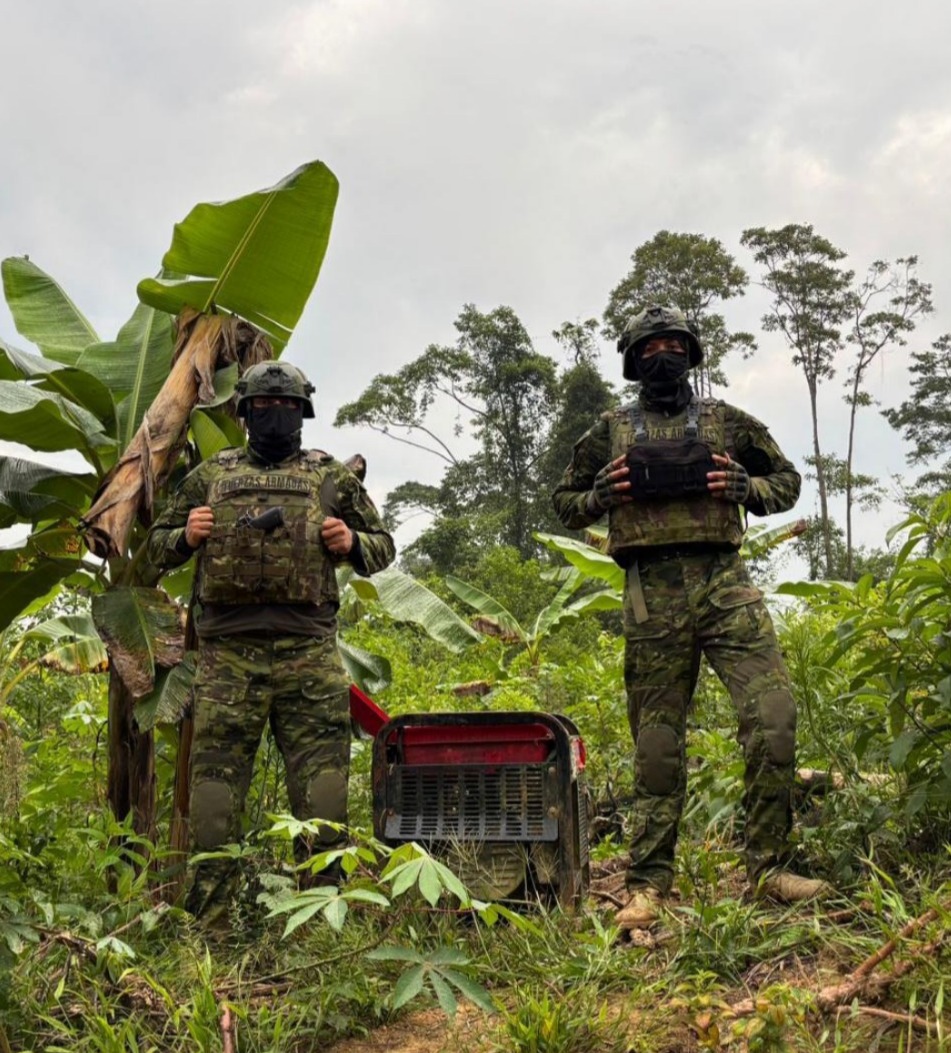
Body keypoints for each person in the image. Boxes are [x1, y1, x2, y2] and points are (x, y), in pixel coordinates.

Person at [552, 304, 830, 929]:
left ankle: (770, 869)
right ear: (632, 359)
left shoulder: (727, 421)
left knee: (774, 718)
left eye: (675, 343)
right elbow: (565, 502)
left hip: (725, 583)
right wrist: (602, 494)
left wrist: (745, 489)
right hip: (652, 593)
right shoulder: (608, 430)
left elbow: (784, 480)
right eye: (651, 347)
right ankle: (649, 883)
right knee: (657, 749)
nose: (664, 355)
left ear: (692, 352)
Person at [147, 360, 395, 924]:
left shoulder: (330, 477)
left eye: (285, 406)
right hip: (226, 661)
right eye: (263, 407)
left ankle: (323, 918)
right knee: (213, 798)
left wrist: (352, 540)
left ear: (302, 412)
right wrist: (185, 536)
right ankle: (209, 926)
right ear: (244, 413)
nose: (274, 415)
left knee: (324, 796)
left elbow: (384, 546)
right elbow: (158, 544)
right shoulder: (211, 475)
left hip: (308, 655)